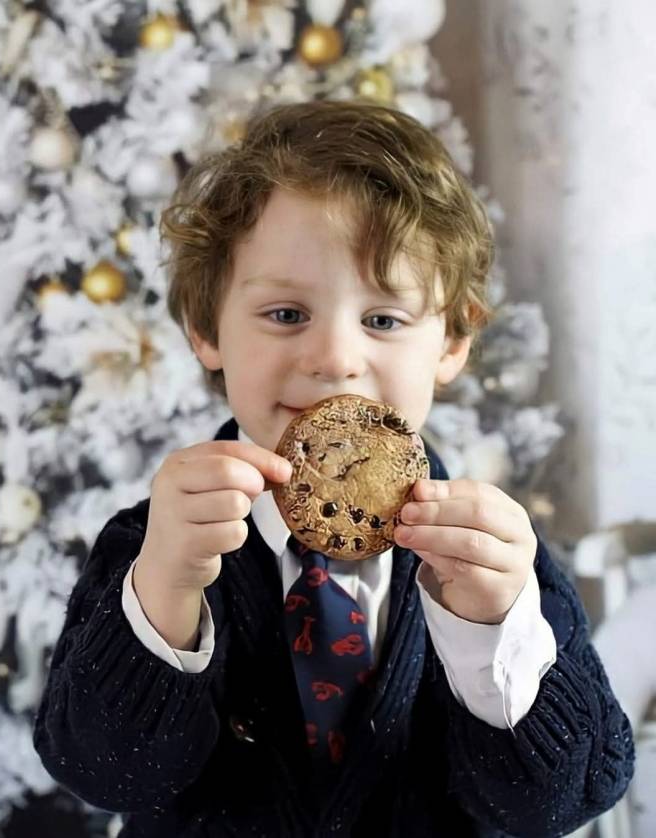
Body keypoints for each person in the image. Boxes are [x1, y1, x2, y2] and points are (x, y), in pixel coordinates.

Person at [32, 100, 634, 837]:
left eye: (383, 320)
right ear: (206, 327)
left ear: (452, 341)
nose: (336, 359)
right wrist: (165, 589)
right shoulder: (152, 546)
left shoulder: (497, 562)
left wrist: (495, 629)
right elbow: (100, 772)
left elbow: (566, 800)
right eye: (287, 314)